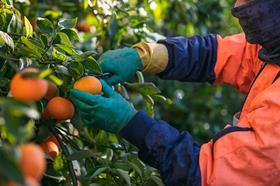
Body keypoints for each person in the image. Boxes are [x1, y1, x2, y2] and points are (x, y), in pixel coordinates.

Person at [69, 0, 280, 185]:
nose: (237, 6)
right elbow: (225, 55)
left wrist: (130, 123)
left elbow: (207, 176)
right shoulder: (274, 46)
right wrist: (146, 56)